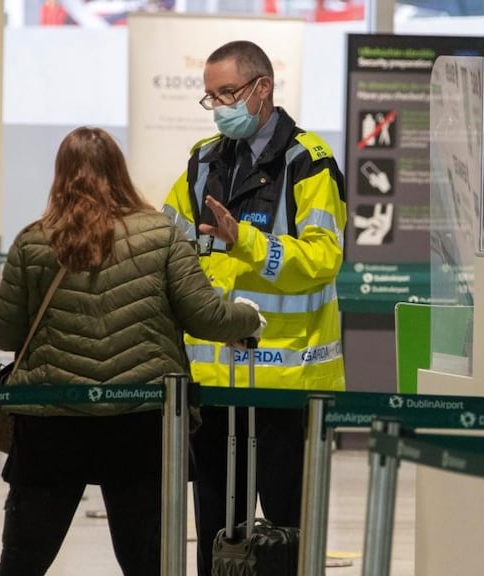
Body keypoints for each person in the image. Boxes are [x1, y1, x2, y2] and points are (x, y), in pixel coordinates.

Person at [0, 126, 263, 576]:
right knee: (146, 562)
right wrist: (248, 318)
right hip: (141, 420)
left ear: (60, 176)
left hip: (51, 423)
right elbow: (206, 317)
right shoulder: (161, 236)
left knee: (22, 560)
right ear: (120, 172)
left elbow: (2, 332)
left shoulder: (34, 241)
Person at [162, 40, 347, 576]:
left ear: (262, 88)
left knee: (289, 532)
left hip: (290, 385)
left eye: (227, 93)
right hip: (213, 383)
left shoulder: (308, 163)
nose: (219, 106)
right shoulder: (202, 162)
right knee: (217, 532)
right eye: (210, 97)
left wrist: (243, 240)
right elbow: (169, 246)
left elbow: (322, 259)